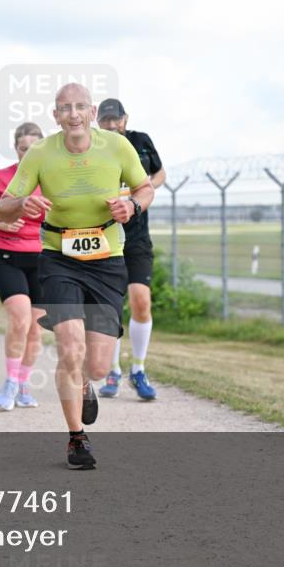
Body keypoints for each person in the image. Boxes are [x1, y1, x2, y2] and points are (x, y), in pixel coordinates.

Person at [0, 83, 154, 470]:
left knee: (97, 365)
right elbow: (3, 209)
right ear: (55, 115)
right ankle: (76, 438)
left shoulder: (117, 147)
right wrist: (24, 202)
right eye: (65, 108)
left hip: (106, 259)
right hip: (58, 257)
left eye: (80, 107)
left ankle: (85, 383)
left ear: (91, 111)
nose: (73, 114)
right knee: (70, 347)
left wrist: (132, 205)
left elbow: (145, 188)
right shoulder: (40, 153)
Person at [96, 98, 167, 401]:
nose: (112, 125)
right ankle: (113, 371)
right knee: (111, 308)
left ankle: (138, 369)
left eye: (116, 119)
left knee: (141, 300)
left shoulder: (141, 141)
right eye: (106, 120)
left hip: (137, 237)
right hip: (105, 237)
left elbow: (161, 173)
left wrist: (144, 188)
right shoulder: (93, 147)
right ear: (98, 123)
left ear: (125, 118)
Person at [0, 122, 46, 411]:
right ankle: (10, 382)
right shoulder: (0, 178)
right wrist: (1, 222)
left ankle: (24, 383)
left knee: (36, 329)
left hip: (42, 260)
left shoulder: (51, 179)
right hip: (8, 257)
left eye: (34, 149)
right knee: (20, 319)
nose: (28, 154)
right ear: (16, 149)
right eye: (23, 149)